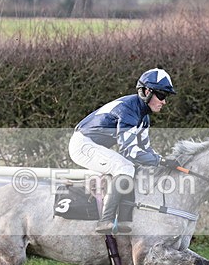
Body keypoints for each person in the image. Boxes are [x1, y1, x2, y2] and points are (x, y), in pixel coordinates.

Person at [68, 68, 181, 234]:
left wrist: (162, 160)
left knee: (131, 167)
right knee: (125, 166)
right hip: (82, 144)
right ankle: (105, 220)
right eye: (162, 95)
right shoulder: (128, 110)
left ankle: (124, 221)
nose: (164, 102)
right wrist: (161, 161)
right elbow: (131, 152)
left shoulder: (144, 117)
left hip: (93, 144)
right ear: (147, 92)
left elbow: (145, 149)